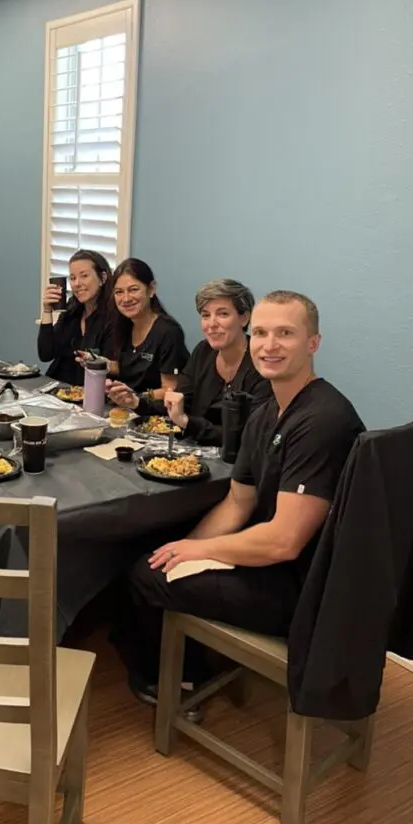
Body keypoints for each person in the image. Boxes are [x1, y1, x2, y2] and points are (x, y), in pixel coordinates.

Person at [117, 290, 365, 704]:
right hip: (273, 562)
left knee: (146, 575)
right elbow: (238, 503)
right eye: (262, 333)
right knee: (156, 552)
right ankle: (187, 660)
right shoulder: (265, 412)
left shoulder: (323, 420)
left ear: (313, 343)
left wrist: (199, 552)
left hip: (305, 588)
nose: (270, 345)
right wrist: (188, 548)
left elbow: (284, 541)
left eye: (285, 333)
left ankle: (179, 681)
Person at [108, 278, 271, 443]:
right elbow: (179, 400)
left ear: (244, 318)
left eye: (223, 314)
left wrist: (186, 422)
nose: (212, 324)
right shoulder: (204, 351)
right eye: (206, 315)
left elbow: (248, 437)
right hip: (195, 451)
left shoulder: (262, 363)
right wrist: (136, 401)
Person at [108, 258, 188, 396]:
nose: (126, 299)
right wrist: (98, 363)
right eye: (119, 292)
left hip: (154, 413)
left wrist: (136, 398)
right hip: (125, 408)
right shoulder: (123, 323)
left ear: (151, 289)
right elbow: (128, 367)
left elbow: (170, 389)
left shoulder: (168, 332)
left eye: (133, 290)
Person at [37, 250, 114, 385]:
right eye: (72, 278)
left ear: (102, 278)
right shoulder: (72, 311)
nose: (77, 283)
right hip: (58, 387)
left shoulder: (113, 318)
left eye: (84, 276)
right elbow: (45, 353)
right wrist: (47, 310)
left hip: (91, 392)